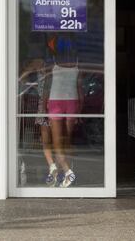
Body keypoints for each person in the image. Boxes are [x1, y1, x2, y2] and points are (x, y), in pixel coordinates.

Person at [47, 33, 84, 188]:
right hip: (72, 102)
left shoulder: (52, 63)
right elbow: (80, 90)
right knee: (66, 140)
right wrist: (80, 111)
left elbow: (47, 87)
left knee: (57, 142)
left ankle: (67, 171)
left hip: (55, 102)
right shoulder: (77, 64)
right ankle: (64, 170)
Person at [19, 58, 56, 186]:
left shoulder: (41, 67)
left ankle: (52, 166)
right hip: (55, 106)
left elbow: (23, 78)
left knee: (47, 142)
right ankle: (55, 167)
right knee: (54, 140)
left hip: (44, 106)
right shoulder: (53, 70)